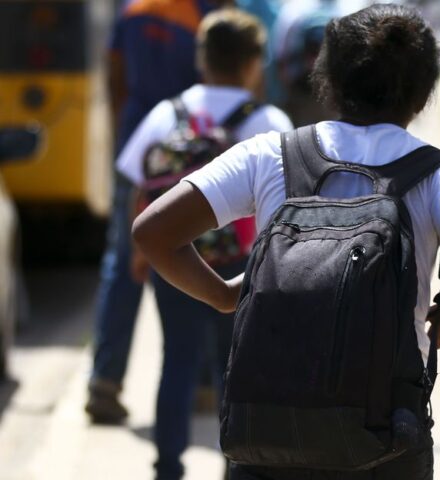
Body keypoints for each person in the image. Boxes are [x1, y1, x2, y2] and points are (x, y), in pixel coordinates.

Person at [132, 4, 440, 479]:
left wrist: (224, 295)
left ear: (327, 79)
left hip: (266, 432)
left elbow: (153, 233)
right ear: (424, 93)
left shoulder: (269, 154)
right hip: (385, 437)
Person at [115, 9, 293, 479]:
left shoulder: (167, 112)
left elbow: (141, 188)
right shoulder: (268, 120)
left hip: (174, 260)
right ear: (255, 62)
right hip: (242, 264)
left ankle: (168, 467)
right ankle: (233, 465)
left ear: (202, 59)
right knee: (234, 371)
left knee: (176, 360)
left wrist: (140, 252)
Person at [87, 0, 233, 425]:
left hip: (139, 146)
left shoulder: (134, 9)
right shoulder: (206, 12)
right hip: (192, 155)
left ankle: (105, 378)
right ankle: (205, 384)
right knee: (205, 257)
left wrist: (126, 135)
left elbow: (114, 78)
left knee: (122, 261)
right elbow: (212, 83)